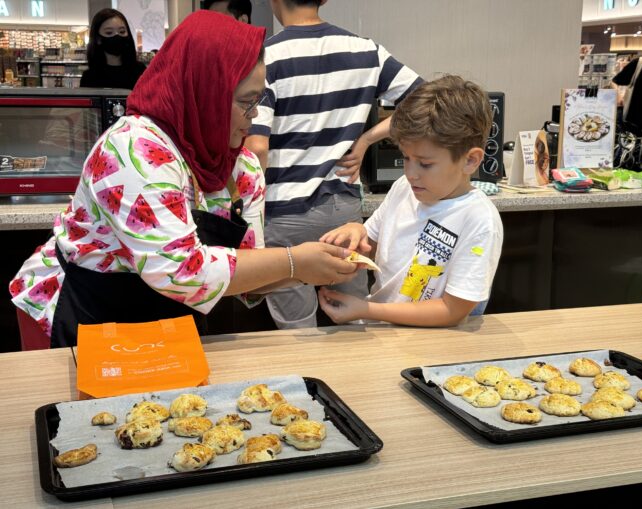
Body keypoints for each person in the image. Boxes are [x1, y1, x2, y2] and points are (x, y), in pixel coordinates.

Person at [9, 11, 356, 348]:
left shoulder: (241, 169)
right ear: (203, 93)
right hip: (84, 310)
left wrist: (318, 265)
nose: (254, 117)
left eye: (259, 101)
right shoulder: (133, 150)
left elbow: (247, 272)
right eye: (246, 102)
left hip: (166, 317)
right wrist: (294, 261)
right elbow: (181, 271)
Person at [246, 0, 423, 329]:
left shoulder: (266, 57)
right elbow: (425, 100)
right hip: (343, 210)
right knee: (352, 317)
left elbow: (257, 148)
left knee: (296, 329)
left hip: (284, 213)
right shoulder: (367, 51)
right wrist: (366, 139)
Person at [317, 75, 504, 327]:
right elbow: (369, 243)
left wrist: (367, 309)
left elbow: (452, 311)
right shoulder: (404, 188)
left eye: (425, 164)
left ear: (470, 160)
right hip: (386, 331)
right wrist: (355, 233)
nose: (410, 173)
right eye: (406, 158)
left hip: (436, 342)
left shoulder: (479, 219)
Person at [80, 8, 146, 89]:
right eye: (109, 33)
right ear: (98, 39)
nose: (117, 36)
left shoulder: (140, 71)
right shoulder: (89, 77)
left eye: (122, 32)